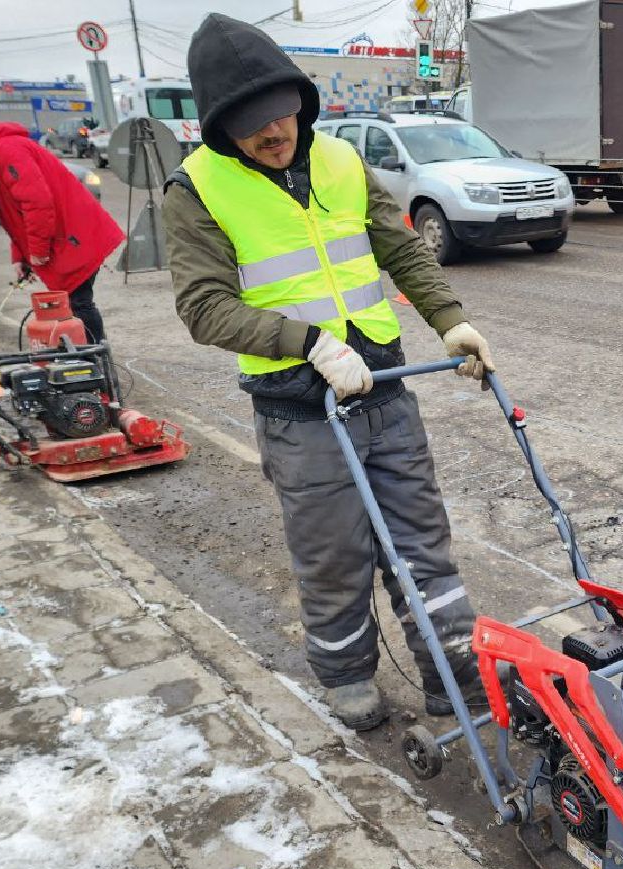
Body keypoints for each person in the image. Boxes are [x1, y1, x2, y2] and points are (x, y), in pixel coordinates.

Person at [163, 13, 494, 732]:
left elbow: (400, 251)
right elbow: (202, 306)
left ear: (298, 101)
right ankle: (346, 677)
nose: (272, 133)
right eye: (253, 126)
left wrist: (451, 320)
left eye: (280, 115)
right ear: (222, 129)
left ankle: (453, 675)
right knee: (334, 555)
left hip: (384, 389)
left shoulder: (343, 162)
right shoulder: (196, 190)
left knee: (421, 545)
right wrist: (305, 342)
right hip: (299, 409)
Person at [0, 121, 123, 342]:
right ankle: (85, 361)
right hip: (66, 238)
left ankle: (96, 365)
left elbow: (37, 203)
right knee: (72, 305)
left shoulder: (7, 151)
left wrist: (37, 251)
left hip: (75, 235)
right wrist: (21, 257)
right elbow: (14, 217)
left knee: (79, 304)